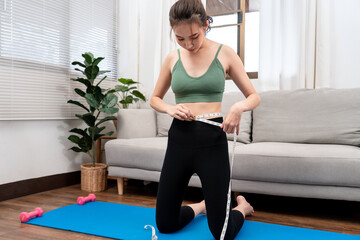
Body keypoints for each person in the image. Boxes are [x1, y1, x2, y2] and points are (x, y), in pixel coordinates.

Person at [149, 0, 260, 239]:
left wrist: (238, 107)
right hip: (179, 140)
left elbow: (253, 96)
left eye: (194, 36)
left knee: (222, 234)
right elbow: (155, 99)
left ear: (207, 24)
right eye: (180, 38)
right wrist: (170, 109)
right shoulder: (172, 59)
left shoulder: (225, 53)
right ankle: (201, 206)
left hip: (212, 143)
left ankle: (242, 207)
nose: (188, 44)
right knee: (165, 224)